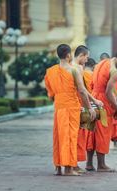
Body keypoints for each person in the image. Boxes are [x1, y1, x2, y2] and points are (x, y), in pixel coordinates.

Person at [44, 44, 96, 176]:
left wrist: (60, 100)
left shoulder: (50, 71)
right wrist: (90, 108)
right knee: (71, 137)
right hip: (72, 107)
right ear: (68, 55)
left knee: (59, 137)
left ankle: (58, 167)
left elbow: (50, 94)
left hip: (59, 108)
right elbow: (82, 91)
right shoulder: (73, 70)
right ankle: (68, 168)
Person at [89, 48, 117, 172]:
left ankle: (89, 163)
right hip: (103, 101)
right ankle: (101, 165)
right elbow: (107, 93)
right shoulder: (114, 71)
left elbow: (103, 85)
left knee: (93, 132)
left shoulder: (101, 64)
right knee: (103, 132)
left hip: (94, 97)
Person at [71, 46, 103, 173]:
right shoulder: (77, 68)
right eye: (87, 57)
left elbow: (83, 89)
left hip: (73, 104)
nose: (87, 59)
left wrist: (93, 101)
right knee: (76, 136)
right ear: (82, 55)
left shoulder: (68, 67)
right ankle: (73, 164)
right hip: (76, 105)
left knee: (76, 135)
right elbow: (82, 90)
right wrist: (90, 106)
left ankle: (73, 164)